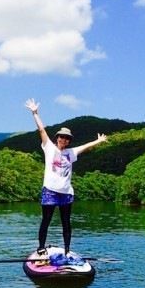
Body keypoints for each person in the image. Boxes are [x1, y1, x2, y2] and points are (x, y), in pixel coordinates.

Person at [25, 98, 108, 257]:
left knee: (66, 223)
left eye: (67, 138)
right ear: (57, 138)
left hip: (66, 192)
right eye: (62, 137)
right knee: (46, 220)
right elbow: (42, 130)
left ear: (69, 140)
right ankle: (41, 247)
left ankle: (67, 250)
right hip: (50, 190)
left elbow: (86, 147)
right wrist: (35, 113)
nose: (64, 139)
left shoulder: (71, 152)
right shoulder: (49, 147)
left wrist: (98, 141)